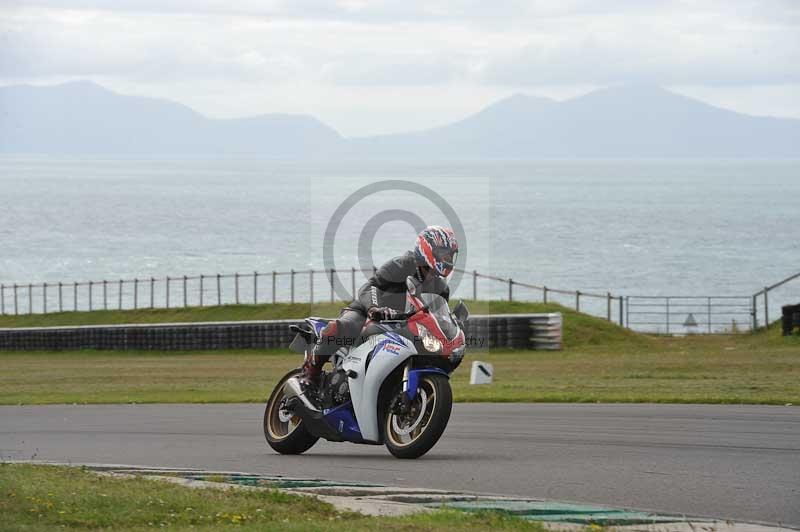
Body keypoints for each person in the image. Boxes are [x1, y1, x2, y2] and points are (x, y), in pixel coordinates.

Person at [300, 225, 459, 386]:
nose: (448, 260)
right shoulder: (402, 265)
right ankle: (310, 373)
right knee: (343, 326)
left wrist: (453, 326)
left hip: (403, 326)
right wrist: (374, 308)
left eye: (450, 256)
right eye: (444, 254)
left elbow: (437, 315)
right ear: (428, 249)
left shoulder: (441, 288)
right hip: (367, 314)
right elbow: (369, 287)